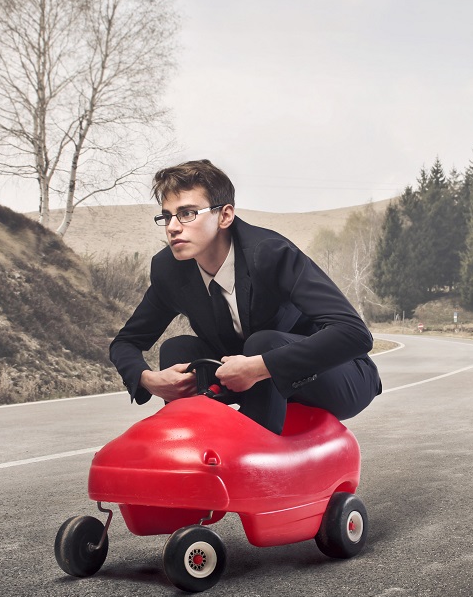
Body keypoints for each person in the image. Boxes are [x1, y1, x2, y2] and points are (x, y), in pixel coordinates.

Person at [109, 159, 381, 434]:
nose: (173, 227)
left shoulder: (270, 254)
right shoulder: (170, 269)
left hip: (332, 374)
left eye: (188, 213)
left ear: (225, 215)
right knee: (177, 349)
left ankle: (260, 456)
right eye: (167, 216)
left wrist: (262, 366)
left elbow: (354, 333)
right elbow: (126, 342)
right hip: (240, 377)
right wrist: (148, 379)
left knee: (263, 342)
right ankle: (189, 447)